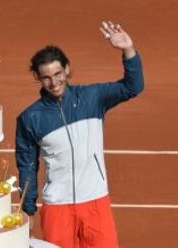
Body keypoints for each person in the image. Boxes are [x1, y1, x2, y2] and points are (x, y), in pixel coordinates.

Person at [15, 21, 144, 247]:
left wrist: (128, 50)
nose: (54, 82)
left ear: (67, 68)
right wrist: (27, 209)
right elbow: (27, 165)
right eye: (46, 77)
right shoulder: (30, 118)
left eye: (58, 73)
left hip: (96, 202)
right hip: (57, 207)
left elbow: (132, 87)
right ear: (37, 77)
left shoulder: (92, 97)